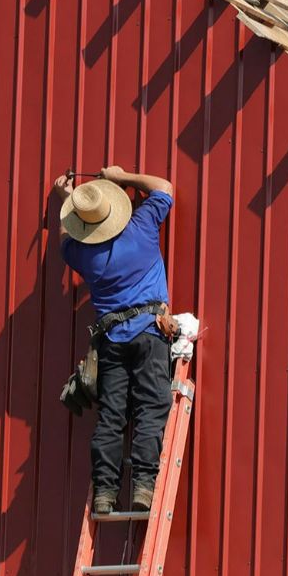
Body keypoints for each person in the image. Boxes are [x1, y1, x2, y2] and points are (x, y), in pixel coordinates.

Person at [53, 166, 180, 514]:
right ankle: (143, 485)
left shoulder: (83, 255)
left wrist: (68, 199)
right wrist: (123, 175)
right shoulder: (141, 230)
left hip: (111, 340)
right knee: (151, 409)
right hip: (150, 333)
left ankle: (106, 493)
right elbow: (164, 186)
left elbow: (65, 236)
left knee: (111, 417)